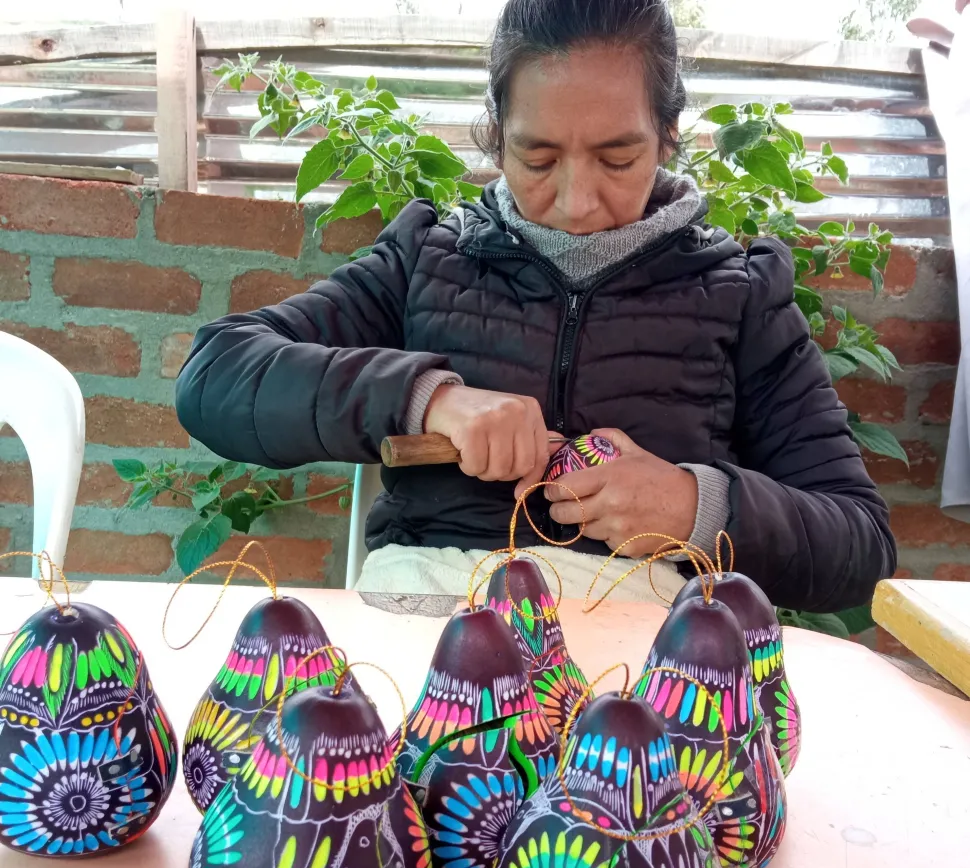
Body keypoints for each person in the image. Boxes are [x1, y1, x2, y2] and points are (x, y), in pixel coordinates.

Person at [176, 0, 896, 611]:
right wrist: (430, 399)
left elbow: (860, 544)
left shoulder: (741, 295)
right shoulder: (427, 258)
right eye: (538, 158)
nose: (577, 203)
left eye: (618, 159)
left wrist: (695, 509)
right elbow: (216, 376)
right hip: (426, 627)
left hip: (640, 665)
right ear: (496, 134)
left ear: (668, 135)